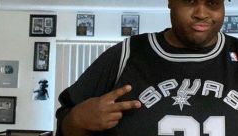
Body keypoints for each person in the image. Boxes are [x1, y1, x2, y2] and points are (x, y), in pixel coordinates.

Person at [56, 0, 238, 135]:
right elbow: (65, 123)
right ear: (170, 2)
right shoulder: (126, 54)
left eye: (212, 3)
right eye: (189, 1)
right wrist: (77, 120)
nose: (201, 13)